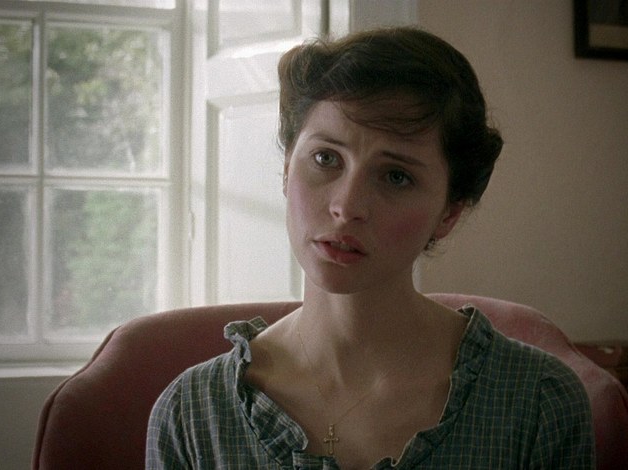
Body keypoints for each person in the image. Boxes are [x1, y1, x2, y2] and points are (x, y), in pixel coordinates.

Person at [146, 27, 595, 469]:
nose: (347, 206)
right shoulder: (193, 414)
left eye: (396, 176)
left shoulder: (536, 404)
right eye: (326, 158)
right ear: (286, 169)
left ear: (449, 213)